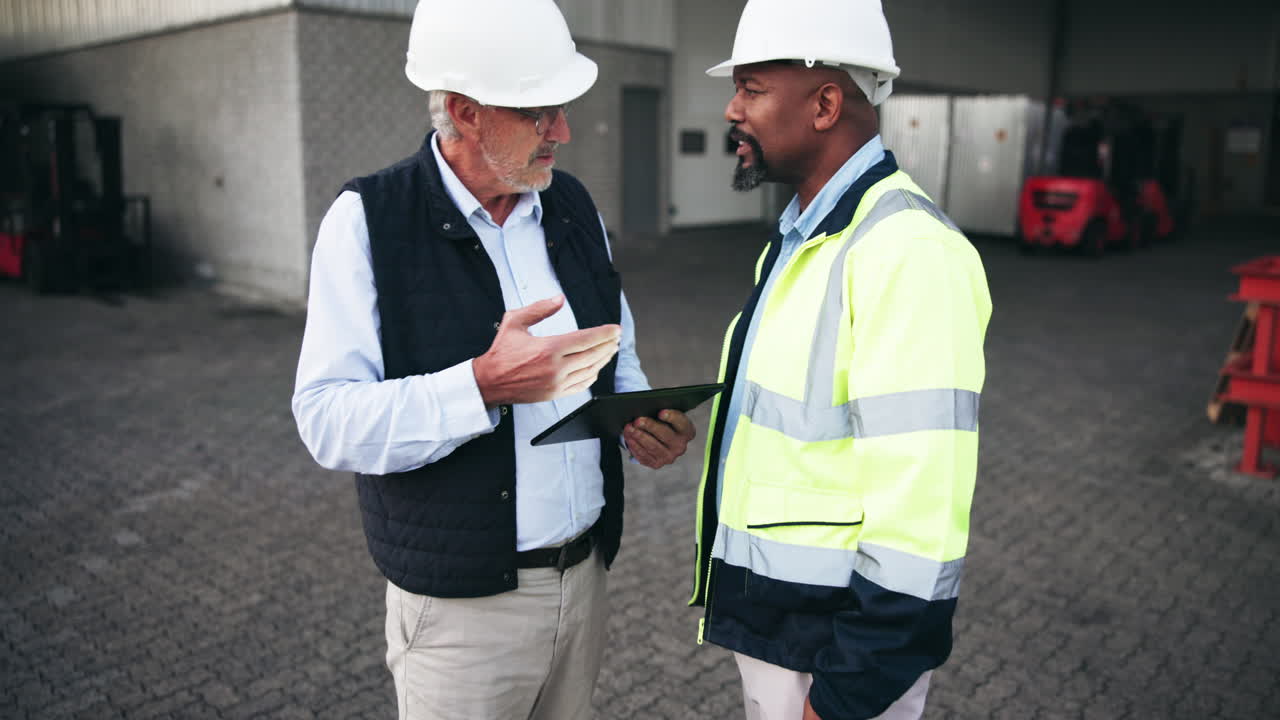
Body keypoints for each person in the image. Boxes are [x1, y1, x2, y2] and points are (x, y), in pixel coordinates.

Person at [291, 1, 695, 718]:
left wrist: (639, 416)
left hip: (585, 581)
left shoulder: (570, 207)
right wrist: (480, 386)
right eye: (539, 113)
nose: (563, 132)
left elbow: (616, 347)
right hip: (460, 619)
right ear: (465, 111)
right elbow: (326, 419)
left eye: (561, 109)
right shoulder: (367, 222)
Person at [688, 1, 992, 719]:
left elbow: (921, 519)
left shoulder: (908, 253)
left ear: (826, 103)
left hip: (833, 665)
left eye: (752, 88)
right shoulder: (802, 238)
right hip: (784, 634)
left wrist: (848, 692)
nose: (732, 109)